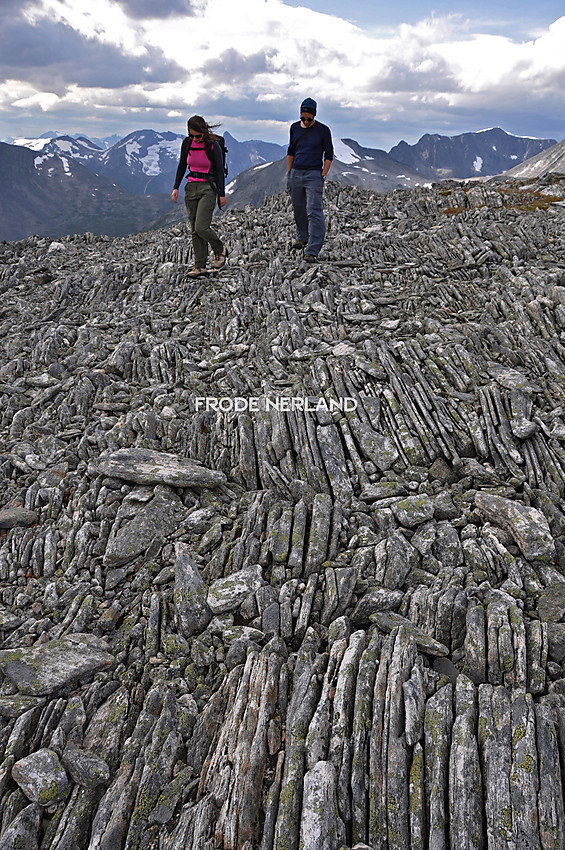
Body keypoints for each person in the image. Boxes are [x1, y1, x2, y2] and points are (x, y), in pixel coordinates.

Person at [172, 115, 228, 278]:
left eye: (198, 136)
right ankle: (200, 266)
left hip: (208, 188)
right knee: (194, 230)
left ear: (204, 132)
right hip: (190, 188)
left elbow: (219, 171)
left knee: (201, 226)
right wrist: (176, 187)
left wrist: (221, 195)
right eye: (191, 135)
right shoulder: (187, 144)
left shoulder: (212, 146)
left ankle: (220, 249)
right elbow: (182, 165)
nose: (195, 139)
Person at [286, 97, 333, 262]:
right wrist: (289, 172)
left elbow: (329, 154)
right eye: (303, 118)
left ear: (314, 116)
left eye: (309, 119)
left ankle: (312, 249)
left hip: (314, 174)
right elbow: (291, 150)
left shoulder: (323, 130)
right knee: (298, 207)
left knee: (313, 209)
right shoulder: (294, 128)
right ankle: (302, 236)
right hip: (296, 173)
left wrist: (323, 174)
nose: (305, 121)